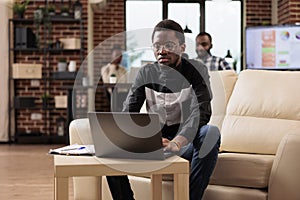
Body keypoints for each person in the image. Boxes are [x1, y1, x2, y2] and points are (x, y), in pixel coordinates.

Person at [105, 19, 220, 200]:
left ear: (182, 47)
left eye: (169, 45)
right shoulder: (145, 73)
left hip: (184, 144)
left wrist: (177, 142)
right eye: (157, 45)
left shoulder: (196, 70)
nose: (162, 50)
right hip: (153, 143)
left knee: (210, 133)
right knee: (111, 144)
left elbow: (201, 112)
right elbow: (129, 113)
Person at [101, 45, 128, 111]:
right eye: (117, 55)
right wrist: (113, 66)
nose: (119, 57)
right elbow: (108, 83)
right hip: (113, 95)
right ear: (111, 56)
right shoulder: (105, 69)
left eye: (120, 55)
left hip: (124, 94)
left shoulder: (123, 70)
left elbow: (125, 82)